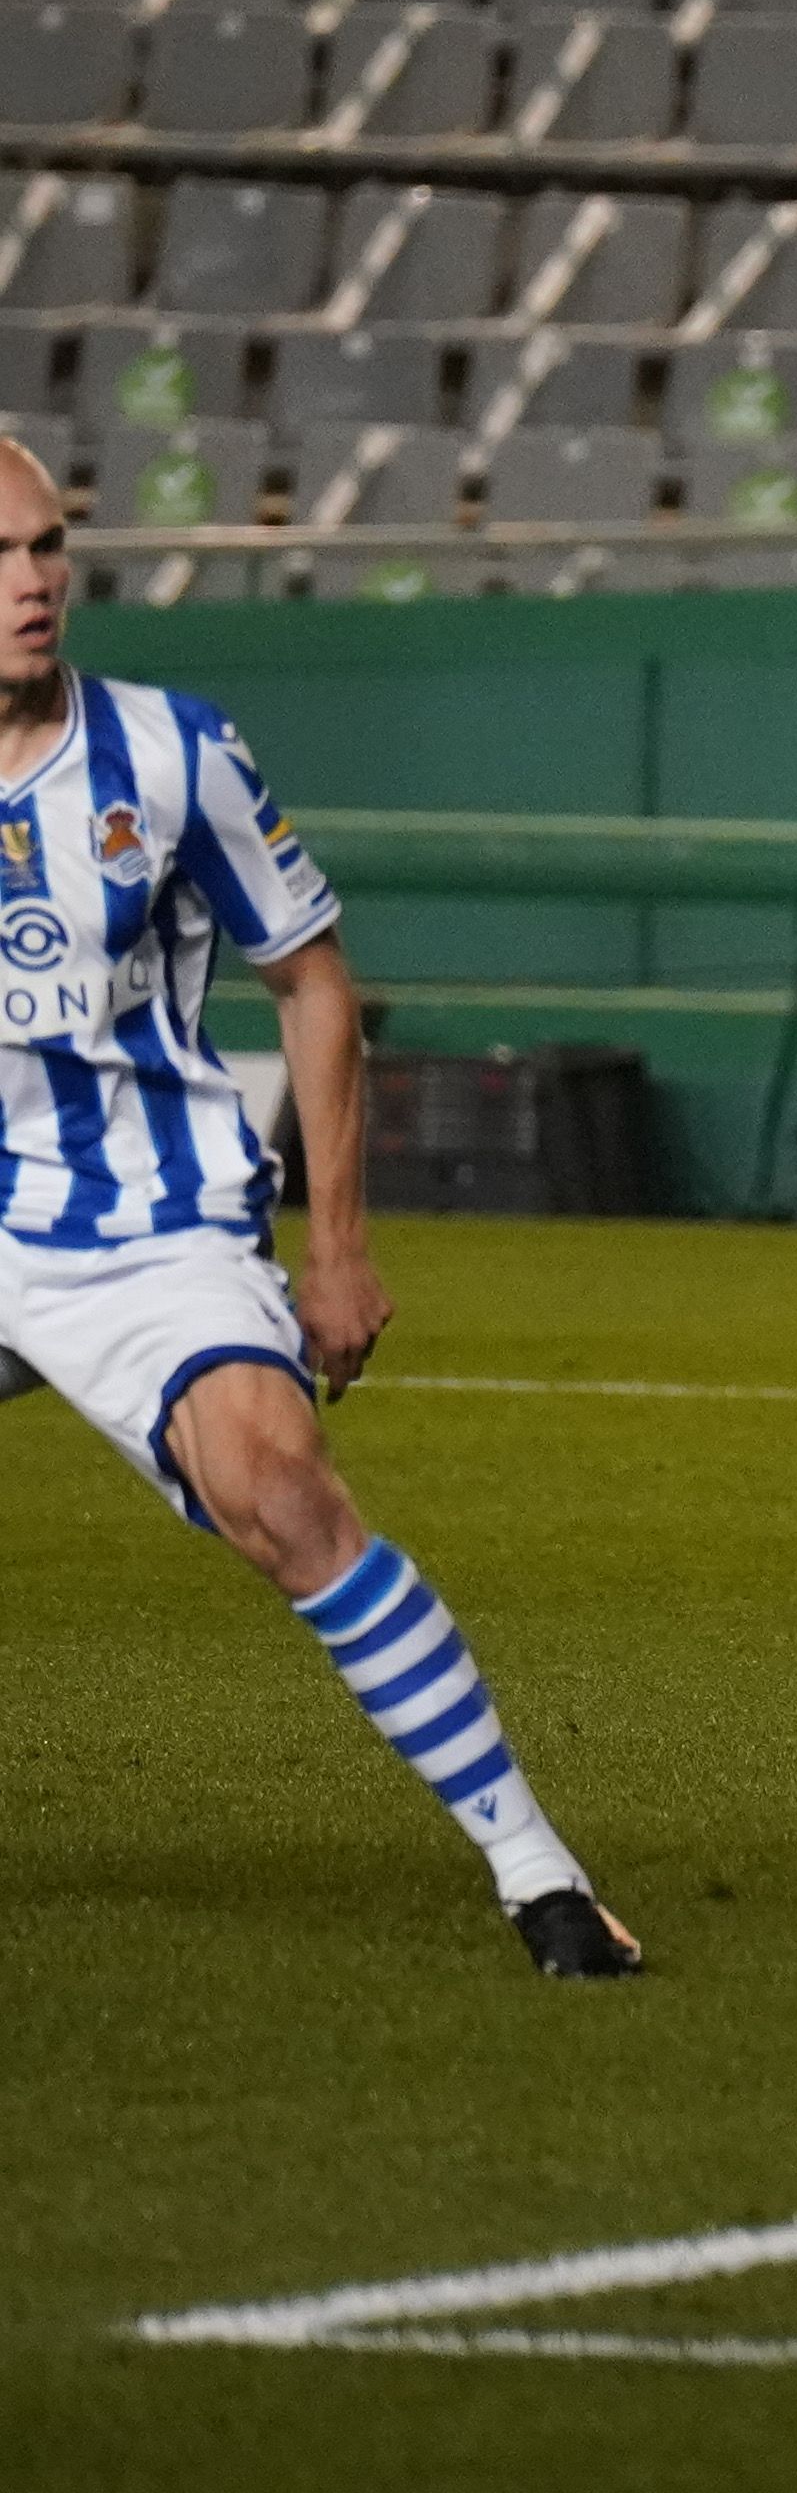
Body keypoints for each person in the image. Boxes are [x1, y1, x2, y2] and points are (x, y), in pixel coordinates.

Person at [0, 435, 640, 1977]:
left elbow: (311, 979)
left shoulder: (168, 753)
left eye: (47, 548)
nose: (34, 585)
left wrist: (338, 1248)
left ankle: (537, 1873)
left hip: (147, 1232)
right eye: (0, 560)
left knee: (287, 1498)